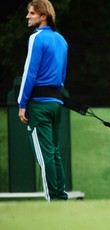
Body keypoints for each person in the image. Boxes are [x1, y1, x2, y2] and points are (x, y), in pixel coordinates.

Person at [18, 0, 68, 201]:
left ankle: (52, 200)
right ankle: (61, 197)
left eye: (31, 13)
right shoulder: (62, 40)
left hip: (38, 105)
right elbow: (62, 75)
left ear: (43, 16)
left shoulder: (36, 38)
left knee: (44, 155)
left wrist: (22, 104)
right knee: (54, 153)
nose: (28, 16)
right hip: (56, 104)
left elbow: (29, 73)